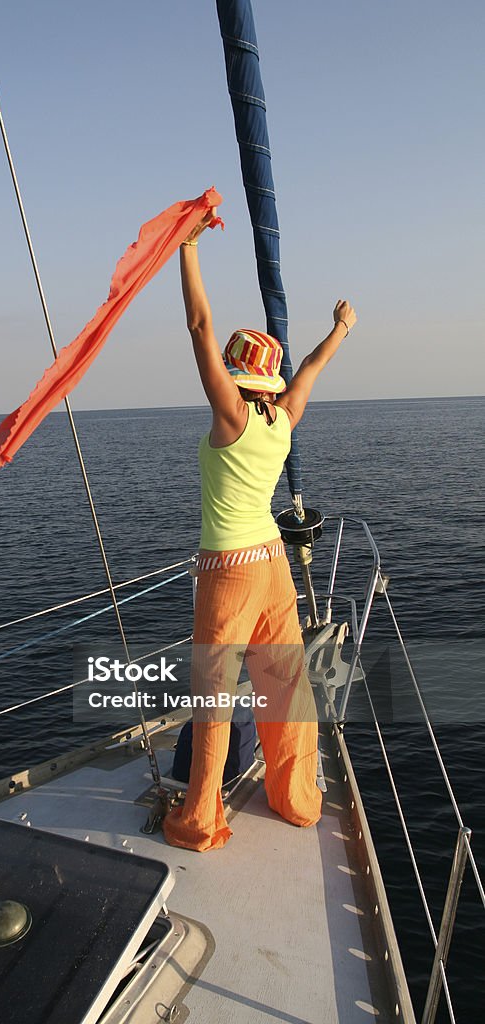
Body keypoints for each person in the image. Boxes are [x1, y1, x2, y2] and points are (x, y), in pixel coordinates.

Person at [162, 211, 357, 852]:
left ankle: (199, 821)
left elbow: (197, 327)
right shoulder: (282, 420)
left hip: (229, 570)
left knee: (214, 698)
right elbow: (310, 368)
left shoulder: (231, 420)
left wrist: (186, 249)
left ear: (235, 376)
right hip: (274, 563)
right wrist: (341, 329)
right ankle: (297, 799)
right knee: (285, 684)